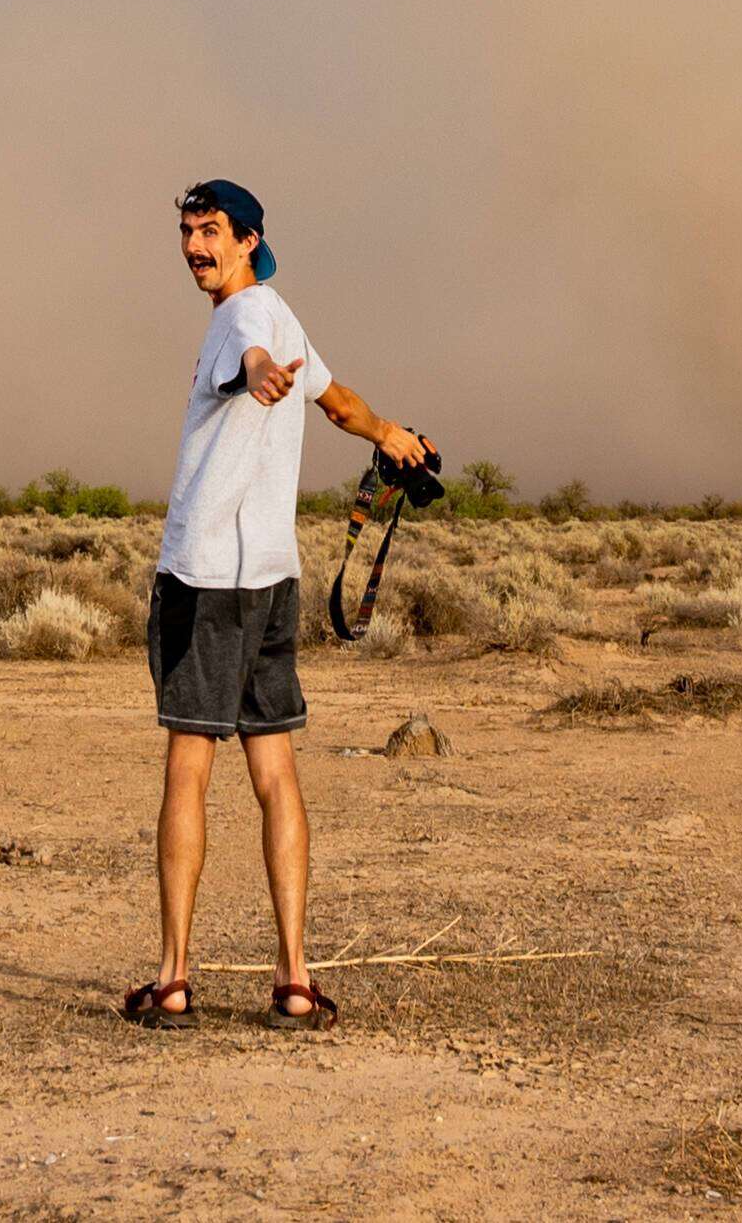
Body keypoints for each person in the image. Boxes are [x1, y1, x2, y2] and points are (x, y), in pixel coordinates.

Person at [122, 179, 431, 1032]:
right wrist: (391, 435)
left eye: (210, 230)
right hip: (270, 578)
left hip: (204, 581)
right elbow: (336, 402)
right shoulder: (282, 315)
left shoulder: (242, 317)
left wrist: (258, 375)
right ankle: (294, 978)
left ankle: (173, 979)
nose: (194, 245)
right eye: (186, 230)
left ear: (248, 240)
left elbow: (254, 358)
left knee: (188, 768)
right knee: (275, 771)